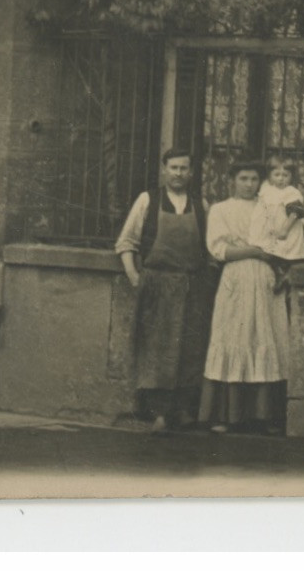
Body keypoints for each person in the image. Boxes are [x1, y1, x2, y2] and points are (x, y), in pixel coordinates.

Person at [114, 148, 217, 433]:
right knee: (158, 349)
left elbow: (210, 250)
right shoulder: (148, 200)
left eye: (184, 168)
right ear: (163, 170)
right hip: (157, 286)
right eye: (173, 168)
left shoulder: (201, 204)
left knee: (189, 348)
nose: (178, 174)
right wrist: (135, 276)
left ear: (192, 172)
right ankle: (159, 412)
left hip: (191, 286)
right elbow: (126, 242)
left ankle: (183, 409)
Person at [199, 160, 300, 435]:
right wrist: (256, 251)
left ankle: (265, 416)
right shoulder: (221, 210)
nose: (249, 184)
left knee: (265, 336)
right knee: (232, 337)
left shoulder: (270, 208)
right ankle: (224, 415)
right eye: (243, 178)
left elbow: (287, 242)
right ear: (232, 180)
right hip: (236, 278)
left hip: (267, 278)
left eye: (254, 179)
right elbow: (219, 250)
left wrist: (280, 265)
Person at [252, 157, 304, 276]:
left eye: (285, 175)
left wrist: (285, 230)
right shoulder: (268, 190)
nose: (281, 179)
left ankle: (283, 277)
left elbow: (295, 212)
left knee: (285, 255)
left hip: (288, 230)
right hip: (273, 231)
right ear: (270, 176)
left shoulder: (290, 192)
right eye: (276, 175)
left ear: (291, 177)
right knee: (272, 254)